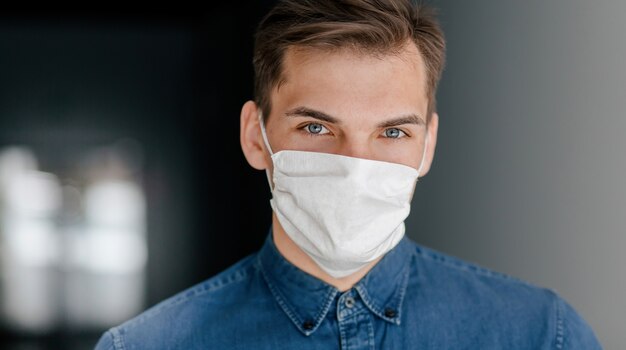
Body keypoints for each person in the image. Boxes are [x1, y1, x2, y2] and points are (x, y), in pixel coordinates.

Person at [95, 0, 602, 348]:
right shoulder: (144, 345)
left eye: (393, 133)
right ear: (256, 136)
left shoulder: (540, 334)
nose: (355, 166)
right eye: (316, 127)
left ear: (428, 146)